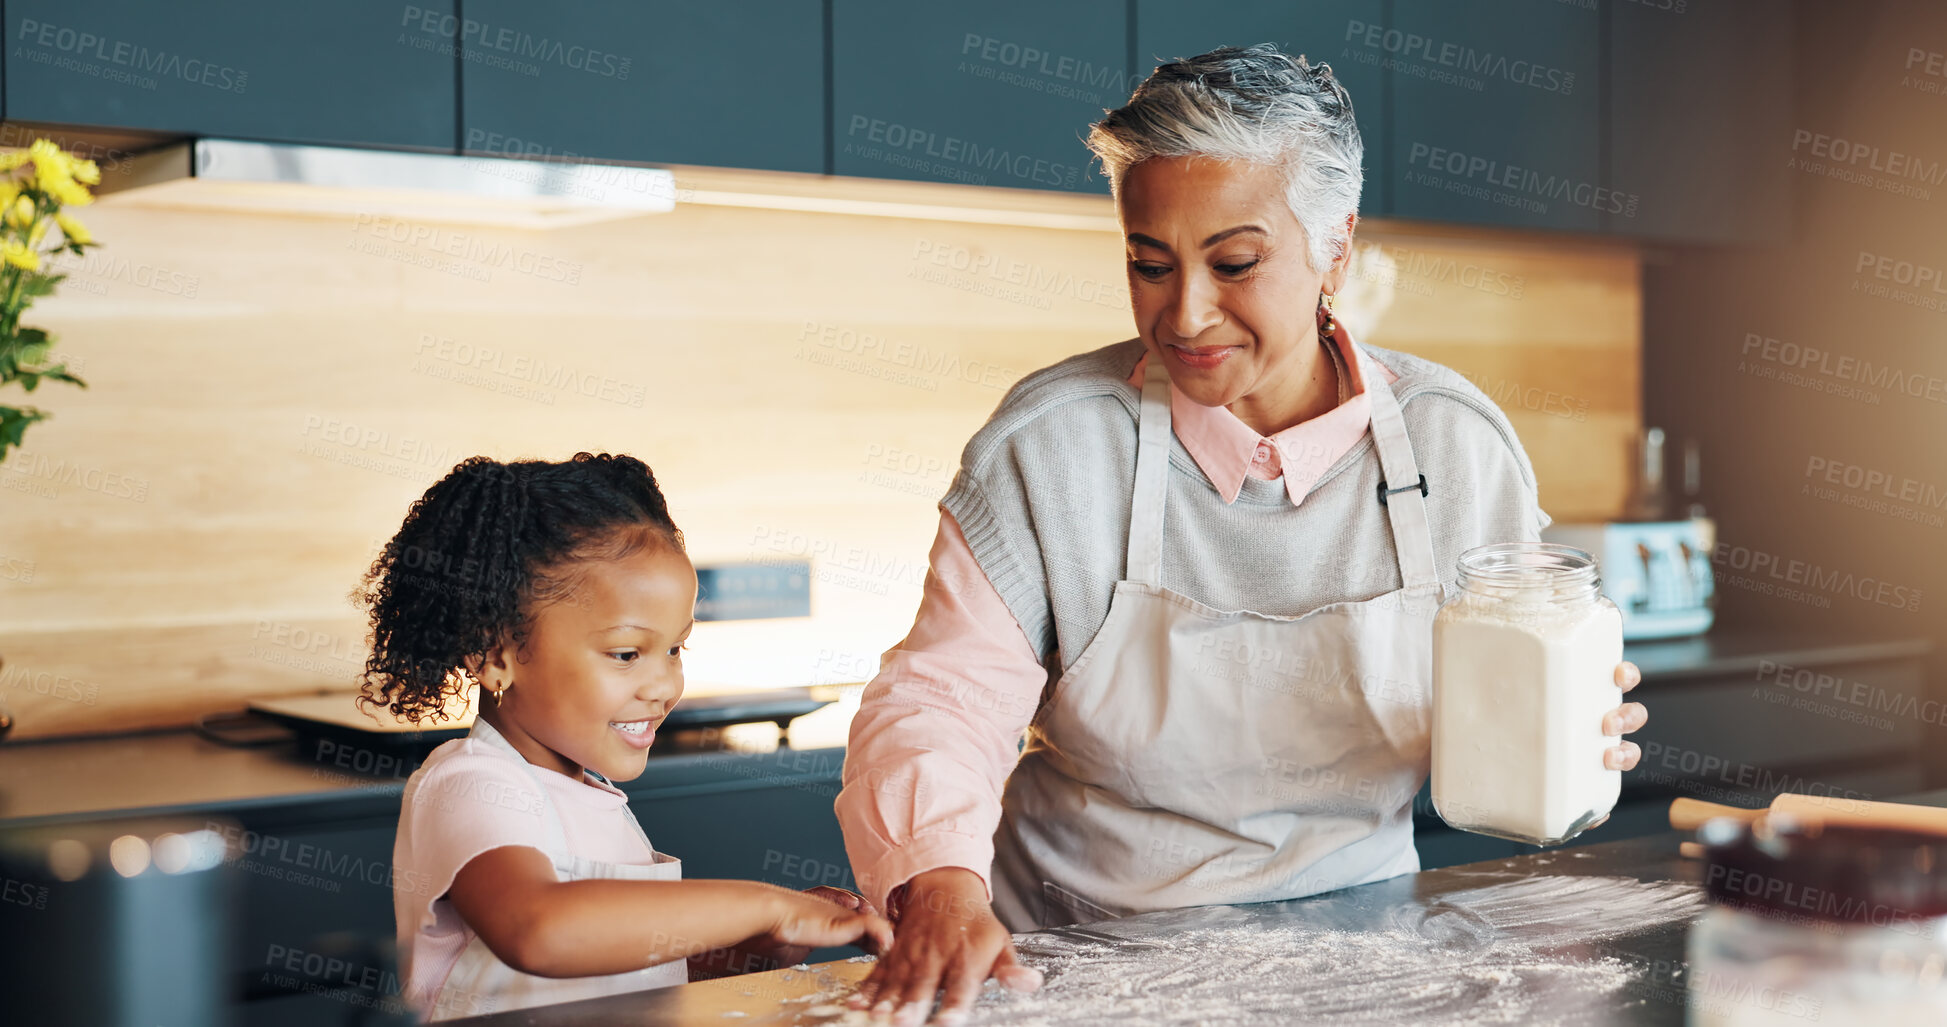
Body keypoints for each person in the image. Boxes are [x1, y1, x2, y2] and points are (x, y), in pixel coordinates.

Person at [836, 45, 1649, 1027]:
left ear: (1335, 250)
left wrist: (1562, 726)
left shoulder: (1457, 447)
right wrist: (938, 880)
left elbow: (1503, 693)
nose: (1184, 314)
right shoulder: (1050, 446)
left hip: (1370, 960)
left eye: (1234, 263)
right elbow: (943, 697)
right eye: (1148, 263)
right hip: (1072, 961)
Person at [362, 453, 891, 1021]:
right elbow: (540, 929)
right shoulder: (470, 780)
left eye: (675, 649)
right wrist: (764, 906)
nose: (664, 685)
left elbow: (625, 971)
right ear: (496, 655)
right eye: (625, 654)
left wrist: (751, 946)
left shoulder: (590, 795)